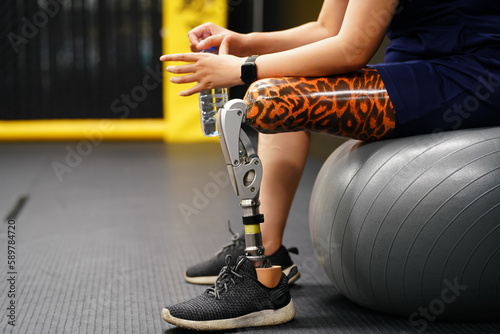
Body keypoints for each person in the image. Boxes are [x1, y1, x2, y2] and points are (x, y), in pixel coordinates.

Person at [159, 0, 500, 330]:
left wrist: (244, 67)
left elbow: (352, 48)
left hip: (471, 75)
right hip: (414, 69)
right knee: (277, 85)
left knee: (273, 99)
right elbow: (327, 28)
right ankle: (269, 250)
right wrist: (243, 43)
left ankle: (261, 281)